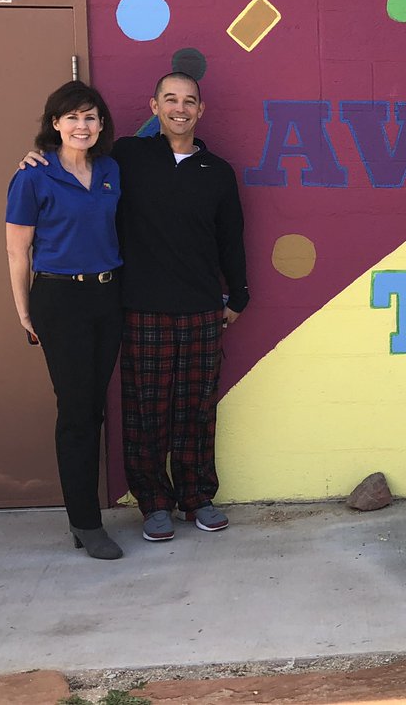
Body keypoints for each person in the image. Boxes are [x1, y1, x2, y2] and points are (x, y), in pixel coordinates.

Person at [25, 72, 249, 542]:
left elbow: (231, 239)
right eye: (170, 99)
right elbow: (74, 158)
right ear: (154, 106)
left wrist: (239, 297)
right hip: (141, 308)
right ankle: (153, 503)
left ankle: (197, 497)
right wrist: (35, 158)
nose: (180, 108)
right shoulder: (126, 157)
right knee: (146, 411)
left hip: (203, 308)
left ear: (201, 110)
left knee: (197, 409)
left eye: (189, 101)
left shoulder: (218, 171)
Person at [6, 81, 124, 559]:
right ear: (55, 123)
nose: (82, 126)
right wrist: (24, 312)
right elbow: (17, 251)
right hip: (59, 298)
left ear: (101, 125)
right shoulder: (33, 176)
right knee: (76, 411)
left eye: (90, 117)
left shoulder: (111, 169)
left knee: (93, 407)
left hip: (107, 296)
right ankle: (86, 522)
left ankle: (85, 515)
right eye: (72, 117)